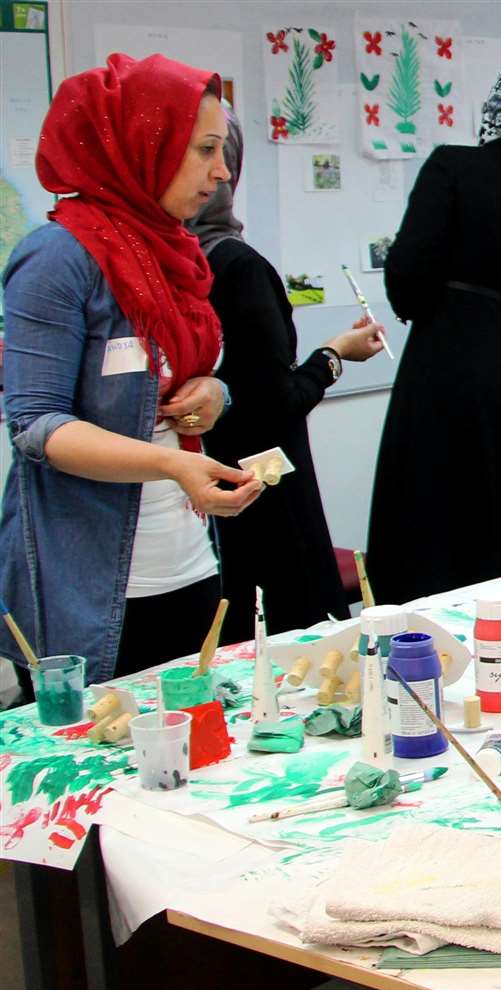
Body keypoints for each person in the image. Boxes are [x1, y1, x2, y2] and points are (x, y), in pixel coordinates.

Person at [0, 54, 262, 685]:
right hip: (93, 588)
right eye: (204, 150)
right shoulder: (58, 259)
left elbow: (175, 378)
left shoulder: (170, 249)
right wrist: (172, 462)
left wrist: (214, 395)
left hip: (187, 561)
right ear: (147, 145)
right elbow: (37, 427)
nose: (222, 172)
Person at [366, 66, 501, 604]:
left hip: (443, 361)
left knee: (430, 503)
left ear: (495, 107)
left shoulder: (452, 167)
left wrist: (423, 306)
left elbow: (408, 274)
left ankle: (418, 633)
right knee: (497, 505)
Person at [186, 105, 386, 642]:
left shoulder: (172, 265)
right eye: (205, 155)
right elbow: (276, 401)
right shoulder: (238, 267)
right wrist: (334, 355)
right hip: (268, 493)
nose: (221, 172)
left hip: (205, 488)